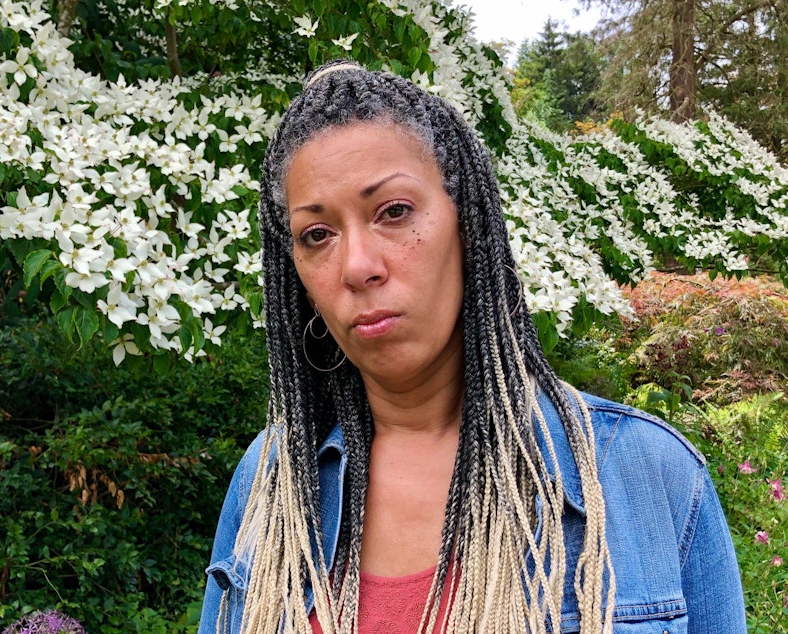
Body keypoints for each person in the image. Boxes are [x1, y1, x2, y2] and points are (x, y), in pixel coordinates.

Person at [198, 60, 746, 634]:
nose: (357, 266)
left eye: (394, 212)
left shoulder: (644, 474)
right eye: (317, 235)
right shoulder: (272, 481)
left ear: (468, 225)